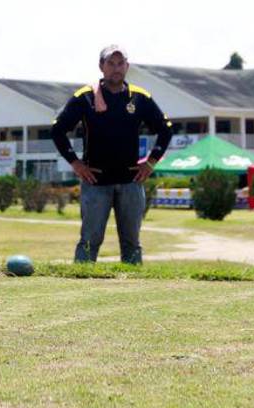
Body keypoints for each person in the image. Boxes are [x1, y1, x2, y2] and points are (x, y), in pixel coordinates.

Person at [51, 46, 173, 264]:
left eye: (120, 63)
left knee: (131, 243)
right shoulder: (85, 97)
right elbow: (57, 130)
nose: (116, 69)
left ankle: (133, 290)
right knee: (89, 240)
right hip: (96, 182)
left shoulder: (140, 97)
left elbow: (166, 129)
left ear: (127, 66)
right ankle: (80, 286)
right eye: (111, 63)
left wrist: (151, 163)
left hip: (131, 182)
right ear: (101, 66)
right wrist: (76, 163)